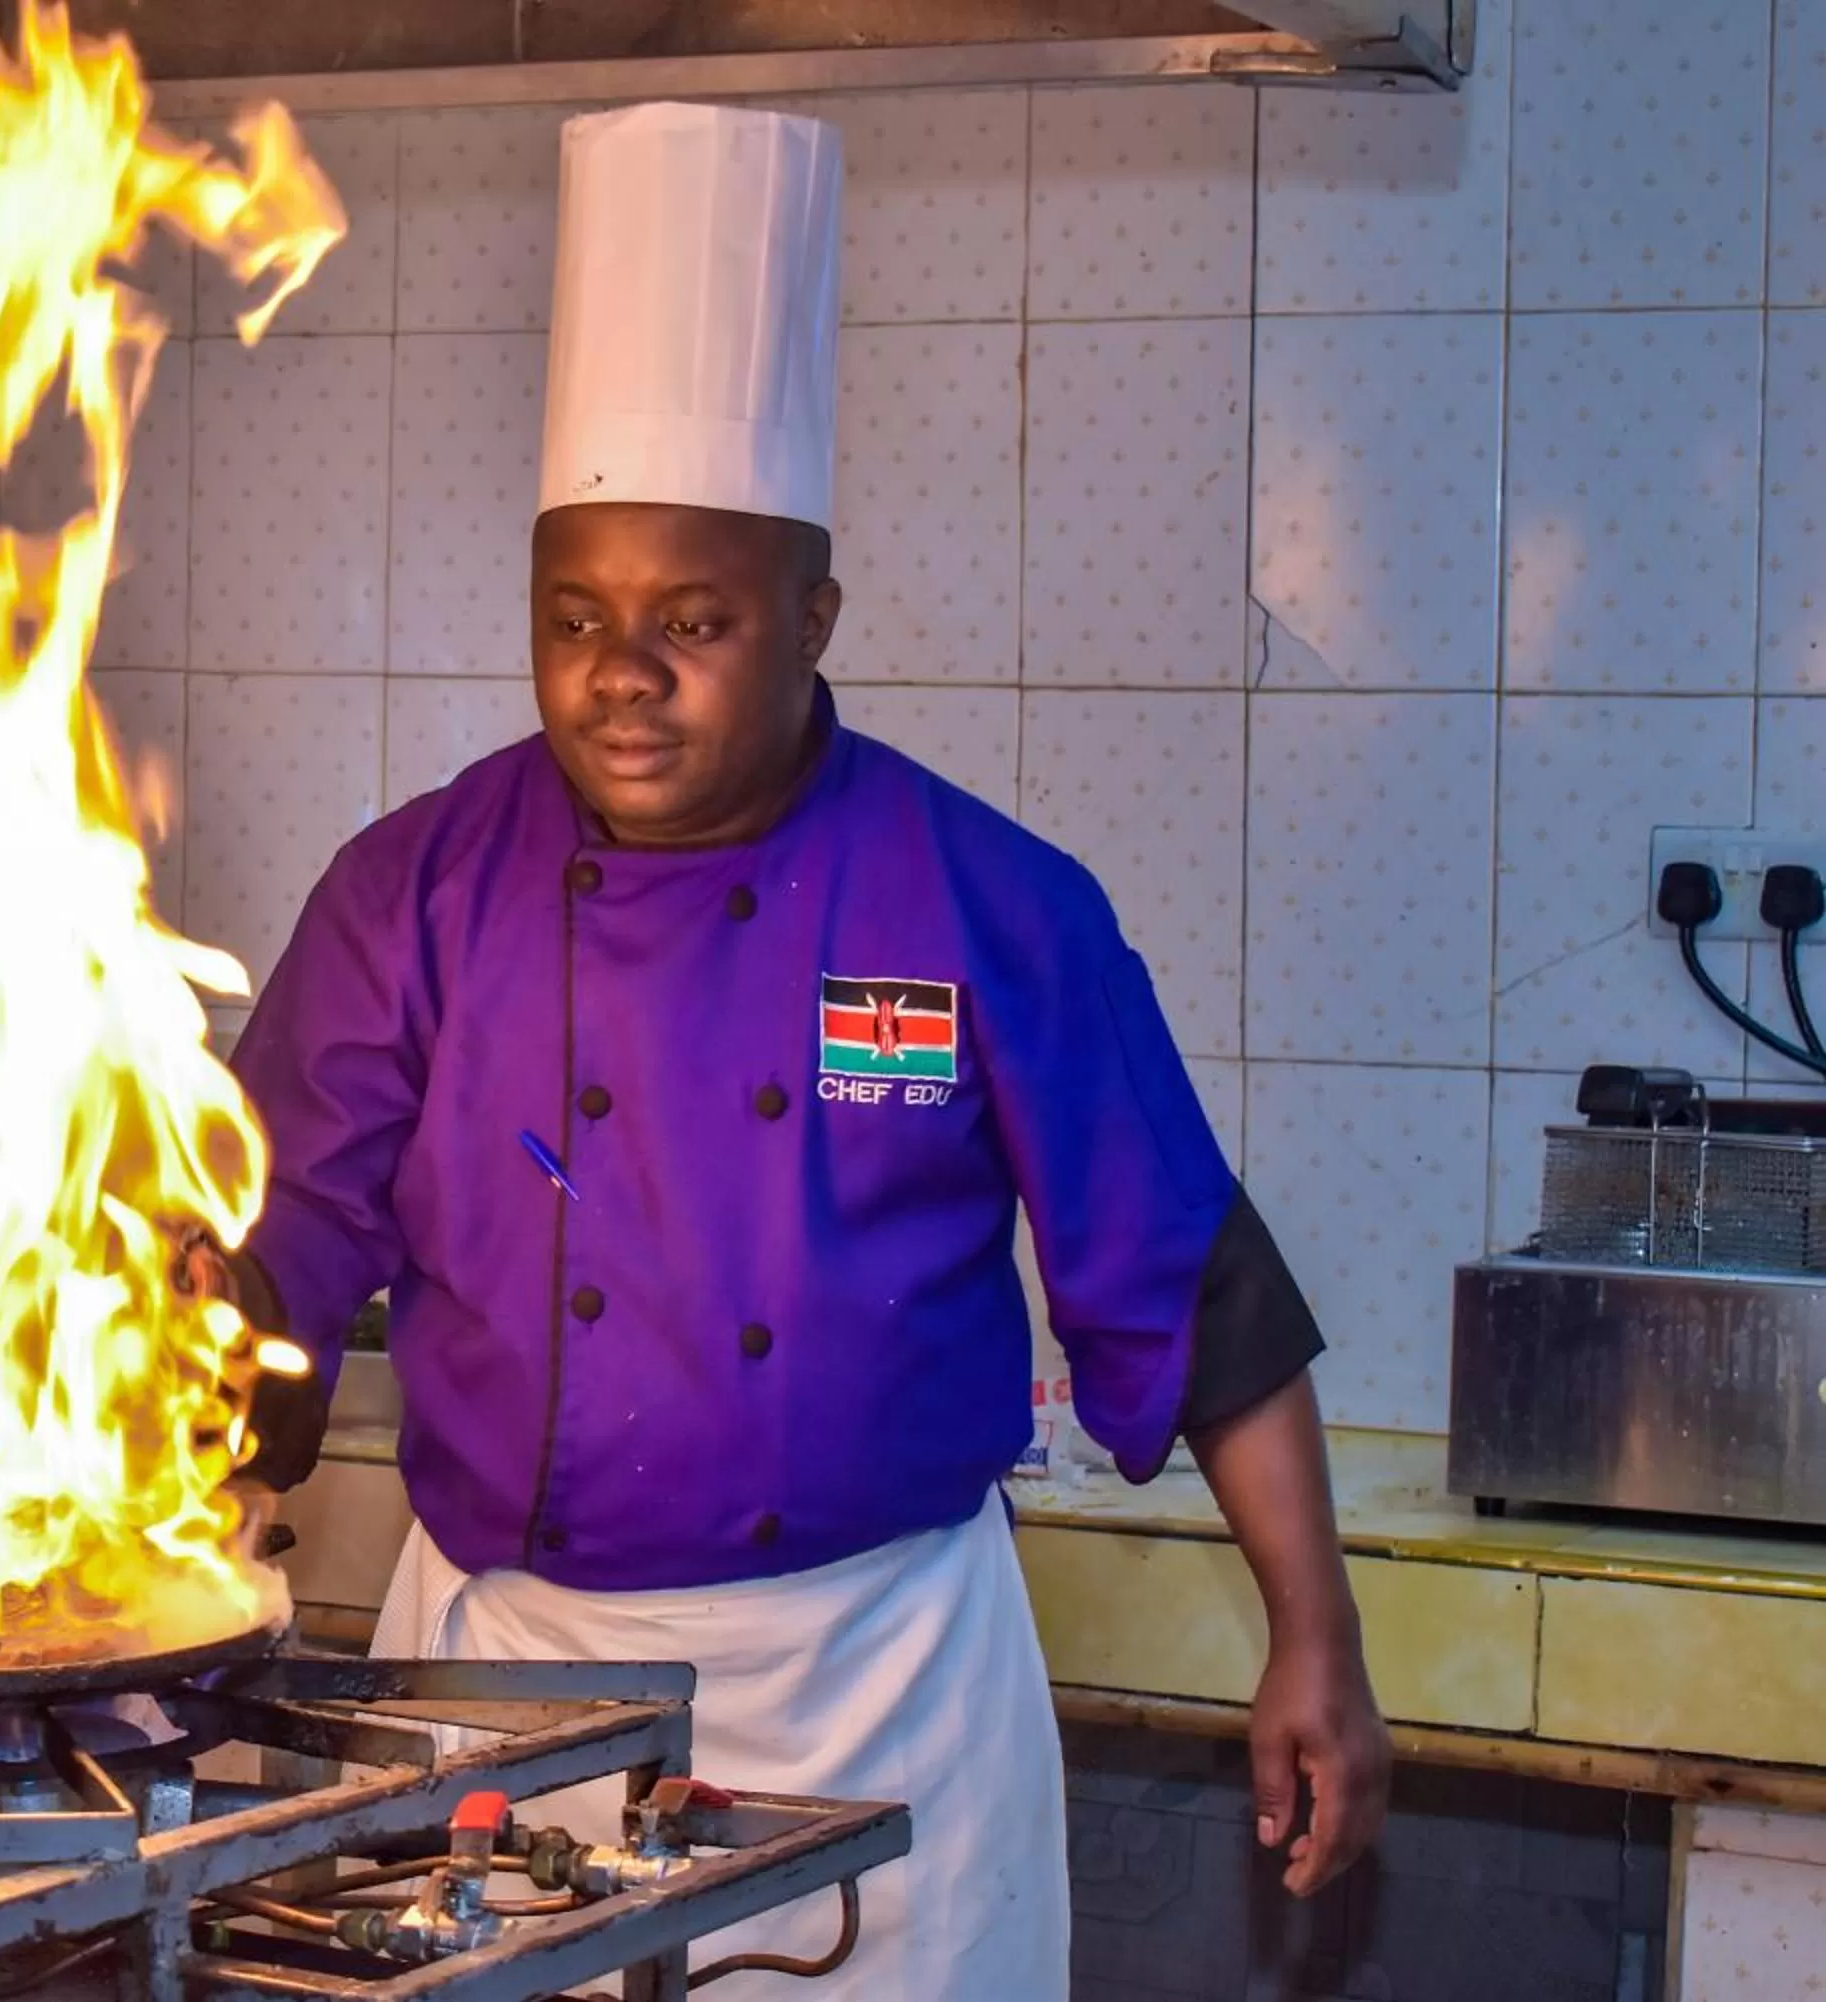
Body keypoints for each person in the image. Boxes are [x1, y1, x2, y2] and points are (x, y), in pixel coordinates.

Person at [188, 100, 1391, 1996]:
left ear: (814, 617)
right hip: (502, 1690)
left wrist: (1314, 1630)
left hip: (886, 1684)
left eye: (696, 619)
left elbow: (1195, 1283)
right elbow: (254, 1259)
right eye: (575, 613)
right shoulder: (411, 892)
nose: (622, 672)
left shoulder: (986, 901)